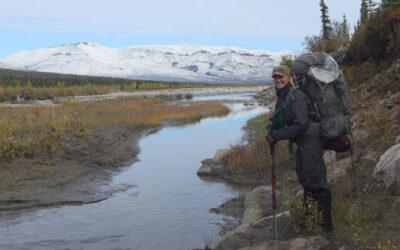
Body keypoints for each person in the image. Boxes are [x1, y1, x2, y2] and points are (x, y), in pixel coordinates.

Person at [266, 65, 333, 232]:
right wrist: (273, 131)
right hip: (303, 142)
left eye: (281, 76)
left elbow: (302, 124)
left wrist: (278, 135)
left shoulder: (296, 95)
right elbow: (283, 120)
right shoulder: (282, 97)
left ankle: (327, 227)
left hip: (311, 140)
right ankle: (309, 219)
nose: (278, 80)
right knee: (305, 179)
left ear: (289, 77)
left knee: (317, 182)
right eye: (275, 77)